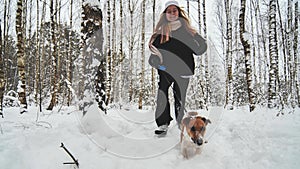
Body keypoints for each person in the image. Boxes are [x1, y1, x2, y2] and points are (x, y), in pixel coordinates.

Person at [148, 0, 207, 135]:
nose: (172, 13)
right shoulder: (161, 33)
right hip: (165, 69)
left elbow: (199, 50)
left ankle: (181, 123)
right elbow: (153, 53)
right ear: (165, 15)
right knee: (162, 94)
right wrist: (155, 61)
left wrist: (197, 36)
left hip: (183, 69)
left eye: (174, 11)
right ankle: (163, 124)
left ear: (179, 13)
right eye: (169, 11)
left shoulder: (187, 31)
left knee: (180, 97)